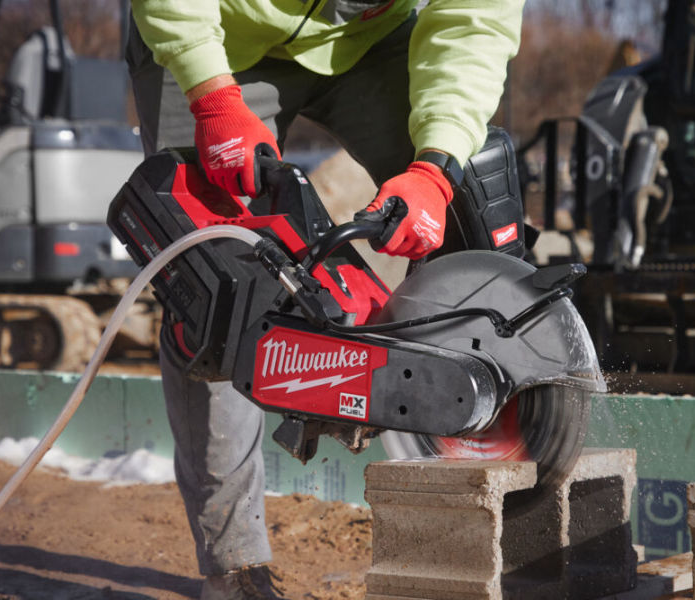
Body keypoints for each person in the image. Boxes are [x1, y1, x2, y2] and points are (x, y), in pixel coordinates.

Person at [125, 0, 524, 597]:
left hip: (373, 43)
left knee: (469, 198)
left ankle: (511, 502)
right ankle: (233, 562)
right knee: (211, 289)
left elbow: (475, 21)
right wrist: (211, 96)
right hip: (218, 37)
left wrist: (435, 170)